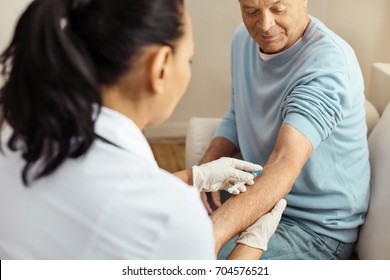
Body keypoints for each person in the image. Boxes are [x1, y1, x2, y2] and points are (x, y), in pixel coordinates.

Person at [0, 0, 286, 259]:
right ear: (160, 67)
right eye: (188, 60)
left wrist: (193, 177)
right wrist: (252, 242)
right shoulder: (169, 220)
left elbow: (103, 197)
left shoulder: (19, 132)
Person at [200, 0, 370, 260]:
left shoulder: (328, 63)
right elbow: (237, 116)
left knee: (186, 257)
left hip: (313, 229)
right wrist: (205, 171)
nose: (265, 25)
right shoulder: (243, 41)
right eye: (251, 11)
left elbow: (284, 162)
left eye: (278, 9)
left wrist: (217, 229)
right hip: (256, 195)